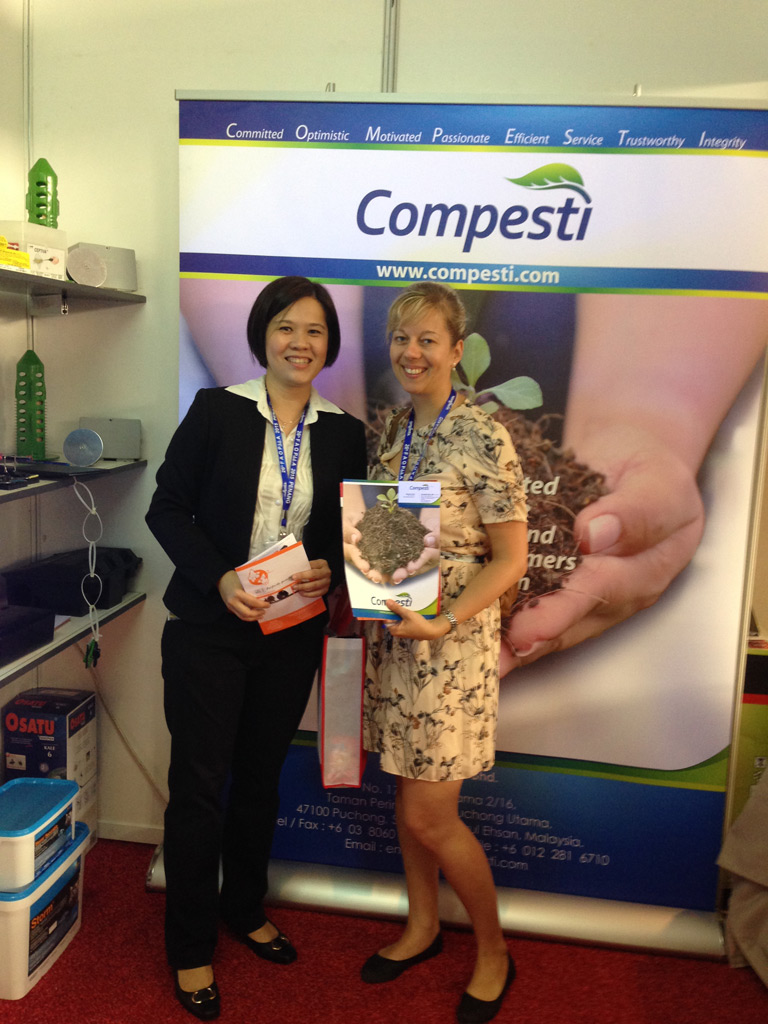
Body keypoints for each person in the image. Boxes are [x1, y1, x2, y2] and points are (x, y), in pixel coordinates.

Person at [146, 275, 367, 1020]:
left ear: (329, 344)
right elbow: (167, 508)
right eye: (286, 327)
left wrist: (330, 566)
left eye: (314, 330)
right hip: (210, 630)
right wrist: (219, 578)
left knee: (261, 780)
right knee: (199, 787)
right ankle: (189, 945)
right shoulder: (218, 411)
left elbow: (344, 534)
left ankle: (243, 907)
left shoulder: (344, 431)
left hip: (290, 632)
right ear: (262, 336)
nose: (300, 343)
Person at [360, 282, 528, 1024]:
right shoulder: (396, 428)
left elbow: (512, 560)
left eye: (428, 339)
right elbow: (385, 529)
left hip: (451, 649)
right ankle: (423, 926)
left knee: (433, 816)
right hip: (398, 639)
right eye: (402, 338)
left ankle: (493, 950)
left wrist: (446, 619)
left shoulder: (482, 434)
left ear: (457, 351)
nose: (412, 352)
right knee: (407, 799)